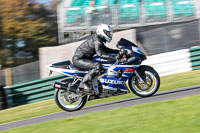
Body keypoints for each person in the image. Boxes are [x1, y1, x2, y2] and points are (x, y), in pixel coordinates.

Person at [72, 24, 122, 94]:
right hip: (79, 59)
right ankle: (85, 82)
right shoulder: (97, 41)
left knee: (100, 66)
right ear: (102, 32)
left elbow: (106, 50)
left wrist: (118, 52)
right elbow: (100, 54)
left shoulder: (98, 40)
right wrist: (114, 58)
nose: (110, 35)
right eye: (108, 33)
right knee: (97, 65)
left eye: (110, 33)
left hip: (83, 58)